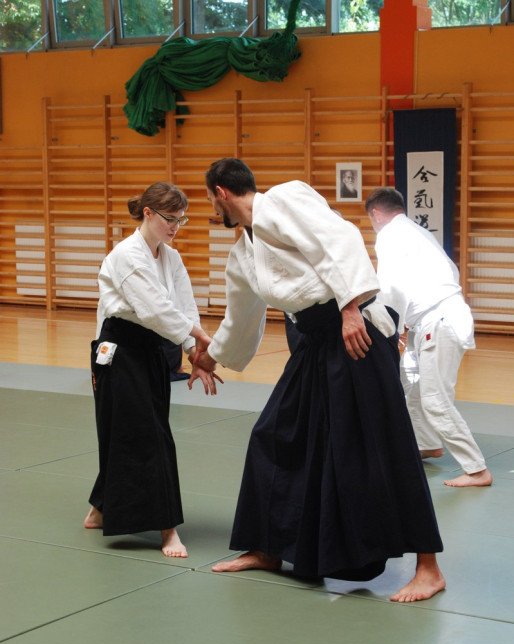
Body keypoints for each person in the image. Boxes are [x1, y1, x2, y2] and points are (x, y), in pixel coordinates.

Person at [191, 158, 446, 603]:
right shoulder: (243, 253)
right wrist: (207, 359)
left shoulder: (285, 198)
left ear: (221, 193)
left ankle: (429, 567)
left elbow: (340, 238)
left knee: (382, 441)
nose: (213, 209)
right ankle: (267, 548)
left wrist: (350, 307)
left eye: (211, 200)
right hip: (314, 342)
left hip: (356, 331)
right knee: (274, 434)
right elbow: (240, 319)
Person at [84, 182, 220, 557]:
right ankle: (167, 528)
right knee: (149, 435)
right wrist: (201, 339)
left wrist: (194, 352)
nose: (175, 226)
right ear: (148, 213)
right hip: (119, 349)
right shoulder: (127, 255)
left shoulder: (170, 257)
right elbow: (155, 310)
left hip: (152, 348)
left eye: (181, 220)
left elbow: (184, 306)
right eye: (169, 219)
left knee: (135, 429)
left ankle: (99, 509)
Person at [366, 187, 492, 489]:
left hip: (439, 320)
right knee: (412, 385)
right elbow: (449, 272)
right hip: (432, 319)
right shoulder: (418, 232)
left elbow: (391, 287)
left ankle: (476, 470)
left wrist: (389, 328)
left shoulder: (389, 234)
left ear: (376, 214)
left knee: (434, 398)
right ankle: (427, 444)